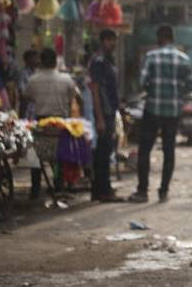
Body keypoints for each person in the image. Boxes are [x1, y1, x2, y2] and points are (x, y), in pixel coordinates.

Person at [129, 25, 192, 203]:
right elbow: (190, 85)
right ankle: (163, 191)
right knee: (168, 151)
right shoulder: (183, 59)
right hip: (172, 111)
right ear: (172, 38)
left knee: (145, 150)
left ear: (159, 38)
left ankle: (142, 191)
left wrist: (154, 90)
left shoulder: (151, 57)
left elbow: (143, 82)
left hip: (152, 109)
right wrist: (177, 94)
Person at [25, 48, 78, 199]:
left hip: (41, 123)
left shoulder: (33, 80)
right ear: (56, 61)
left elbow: (26, 99)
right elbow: (74, 98)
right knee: (59, 157)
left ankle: (35, 188)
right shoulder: (66, 79)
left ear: (41, 61)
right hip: (61, 123)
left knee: (35, 156)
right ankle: (58, 184)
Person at [89, 29, 123, 202]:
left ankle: (102, 188)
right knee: (102, 152)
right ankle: (102, 190)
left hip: (109, 111)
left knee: (106, 151)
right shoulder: (99, 61)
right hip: (102, 112)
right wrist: (100, 118)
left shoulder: (109, 60)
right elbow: (95, 89)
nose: (113, 43)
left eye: (114, 40)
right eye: (109, 40)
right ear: (102, 41)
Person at [18, 49, 39, 119]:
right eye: (34, 58)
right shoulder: (23, 73)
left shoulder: (37, 73)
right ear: (27, 60)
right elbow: (22, 92)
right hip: (27, 108)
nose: (36, 60)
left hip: (36, 108)